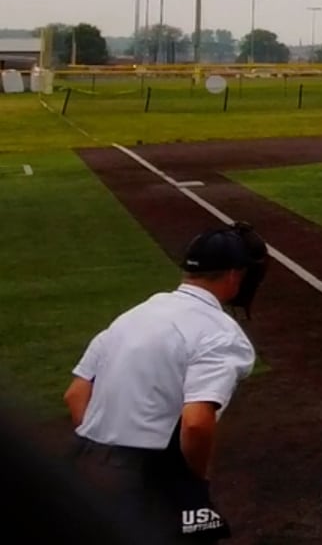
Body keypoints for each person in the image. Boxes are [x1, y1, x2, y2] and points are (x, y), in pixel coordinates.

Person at [66, 223, 269, 542]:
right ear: (234, 275)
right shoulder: (221, 333)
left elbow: (76, 394)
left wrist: (105, 450)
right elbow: (196, 423)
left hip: (85, 466)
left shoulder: (133, 315)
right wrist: (194, 482)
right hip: (149, 483)